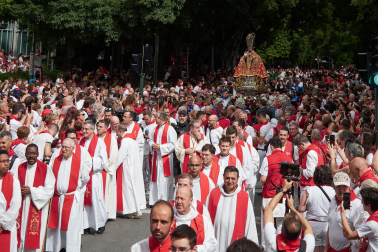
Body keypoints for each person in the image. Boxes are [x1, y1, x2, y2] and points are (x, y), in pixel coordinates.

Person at [46, 138, 90, 252]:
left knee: (70, 226)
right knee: (56, 225)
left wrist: (77, 190)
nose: (63, 150)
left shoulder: (78, 161)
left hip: (71, 197)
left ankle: (71, 248)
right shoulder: (56, 160)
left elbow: (86, 178)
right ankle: (56, 247)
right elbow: (49, 175)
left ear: (72, 149)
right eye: (62, 147)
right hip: (57, 197)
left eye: (66, 147)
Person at [12, 144, 55, 252]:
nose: (31, 156)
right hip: (21, 207)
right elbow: (14, 186)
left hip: (37, 206)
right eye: (29, 153)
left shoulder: (45, 168)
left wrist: (32, 190)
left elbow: (49, 189)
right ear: (25, 154)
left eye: (33, 153)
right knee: (21, 235)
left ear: (38, 154)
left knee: (34, 238)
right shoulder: (20, 168)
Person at [206, 166, 258, 251]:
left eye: (233, 178)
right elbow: (206, 218)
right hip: (216, 240)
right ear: (223, 177)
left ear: (238, 179)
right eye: (227, 178)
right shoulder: (214, 194)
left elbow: (250, 224)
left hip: (236, 244)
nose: (230, 181)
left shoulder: (244, 197)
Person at [259, 135, 293, 249]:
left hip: (269, 194)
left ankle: (265, 247)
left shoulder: (267, 158)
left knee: (266, 223)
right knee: (280, 224)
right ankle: (280, 247)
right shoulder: (289, 159)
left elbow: (263, 179)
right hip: (283, 195)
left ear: (272, 147)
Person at [263, 179, 315, 252]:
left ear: (281, 230)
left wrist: (283, 190)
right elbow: (308, 227)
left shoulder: (273, 243)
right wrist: (293, 208)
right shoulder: (306, 247)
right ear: (300, 231)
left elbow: (268, 209)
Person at [326, 172, 368, 252]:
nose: (341, 189)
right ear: (333, 186)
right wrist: (325, 248)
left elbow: (359, 232)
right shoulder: (333, 200)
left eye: (344, 186)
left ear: (349, 186)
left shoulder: (356, 204)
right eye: (338, 186)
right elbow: (330, 226)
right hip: (331, 249)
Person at [79, 120, 108, 234]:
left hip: (94, 176)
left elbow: (103, 160)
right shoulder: (80, 141)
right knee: (83, 202)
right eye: (83, 129)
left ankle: (100, 223)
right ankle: (85, 225)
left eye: (87, 129)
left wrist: (90, 160)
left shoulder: (100, 143)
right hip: (83, 177)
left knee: (95, 200)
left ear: (92, 130)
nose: (84, 131)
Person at [298, 165, 335, 252]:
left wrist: (309, 206)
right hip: (327, 224)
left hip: (312, 224)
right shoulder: (333, 191)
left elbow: (301, 209)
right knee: (326, 249)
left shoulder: (309, 190)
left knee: (314, 248)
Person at [171, 187, 217, 252]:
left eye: (182, 198)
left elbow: (213, 244)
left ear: (191, 200)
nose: (178, 201)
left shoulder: (202, 220)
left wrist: (197, 249)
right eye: (177, 198)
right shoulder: (169, 220)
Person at [116, 124, 146, 218]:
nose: (118, 136)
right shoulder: (133, 140)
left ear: (121, 131)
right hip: (134, 167)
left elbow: (121, 156)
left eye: (117, 133)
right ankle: (134, 209)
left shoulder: (125, 140)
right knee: (133, 188)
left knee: (128, 189)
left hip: (127, 167)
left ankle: (132, 210)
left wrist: (113, 168)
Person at [148, 112, 177, 205]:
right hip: (156, 157)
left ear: (160, 119)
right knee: (155, 178)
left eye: (156, 118)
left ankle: (165, 200)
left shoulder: (170, 129)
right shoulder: (155, 128)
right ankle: (155, 200)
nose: (155, 120)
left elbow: (173, 144)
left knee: (164, 180)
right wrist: (153, 145)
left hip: (166, 158)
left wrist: (161, 147)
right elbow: (150, 139)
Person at [341, 186, 378, 252]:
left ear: (368, 206)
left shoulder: (371, 224)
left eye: (363, 201)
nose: (361, 203)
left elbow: (350, 235)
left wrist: (342, 214)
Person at [0, 149, 21, 252]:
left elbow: (16, 204)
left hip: (7, 225)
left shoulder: (14, 182)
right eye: (2, 161)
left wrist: (3, 223)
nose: (6, 164)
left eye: (7, 161)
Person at [96, 119, 118, 220]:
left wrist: (104, 165)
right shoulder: (94, 139)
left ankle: (107, 214)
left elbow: (113, 156)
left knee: (107, 193)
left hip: (106, 170)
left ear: (106, 128)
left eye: (100, 127)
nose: (98, 128)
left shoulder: (112, 139)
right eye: (97, 126)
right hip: (96, 171)